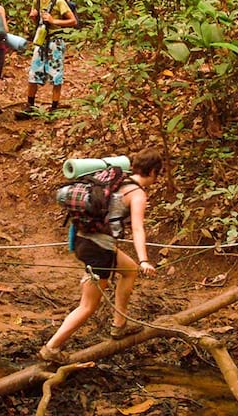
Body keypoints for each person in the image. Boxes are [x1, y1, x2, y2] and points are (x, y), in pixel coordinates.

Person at [38, 149, 163, 364]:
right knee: (88, 306)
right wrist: (144, 259)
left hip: (83, 241)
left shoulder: (115, 179)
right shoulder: (137, 193)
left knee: (129, 270)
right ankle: (52, 347)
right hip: (99, 251)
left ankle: (119, 325)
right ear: (152, 172)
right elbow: (138, 228)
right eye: (157, 174)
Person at [15, 0, 77, 120]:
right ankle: (30, 106)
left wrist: (54, 20)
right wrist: (33, 18)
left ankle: (54, 107)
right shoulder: (36, 0)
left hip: (56, 42)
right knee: (33, 72)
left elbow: (73, 21)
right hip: (41, 41)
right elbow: (37, 24)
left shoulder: (58, 1)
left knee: (56, 75)